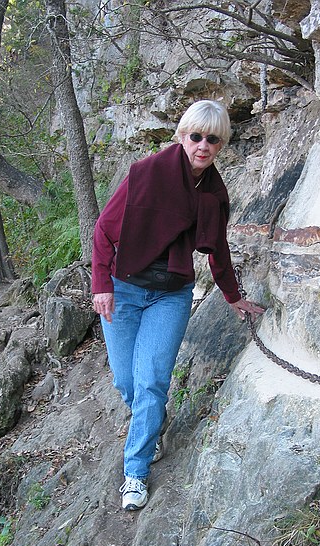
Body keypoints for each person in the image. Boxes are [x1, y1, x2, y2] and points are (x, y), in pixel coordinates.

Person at [92, 100, 265, 511]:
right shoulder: (145, 173)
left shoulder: (214, 193)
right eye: (196, 136)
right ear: (182, 135)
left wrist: (232, 294)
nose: (203, 145)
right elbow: (103, 230)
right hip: (125, 288)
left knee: (151, 380)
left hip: (170, 295)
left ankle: (135, 472)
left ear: (221, 145)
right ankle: (152, 422)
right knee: (126, 383)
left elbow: (217, 248)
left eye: (213, 139)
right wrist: (102, 284)